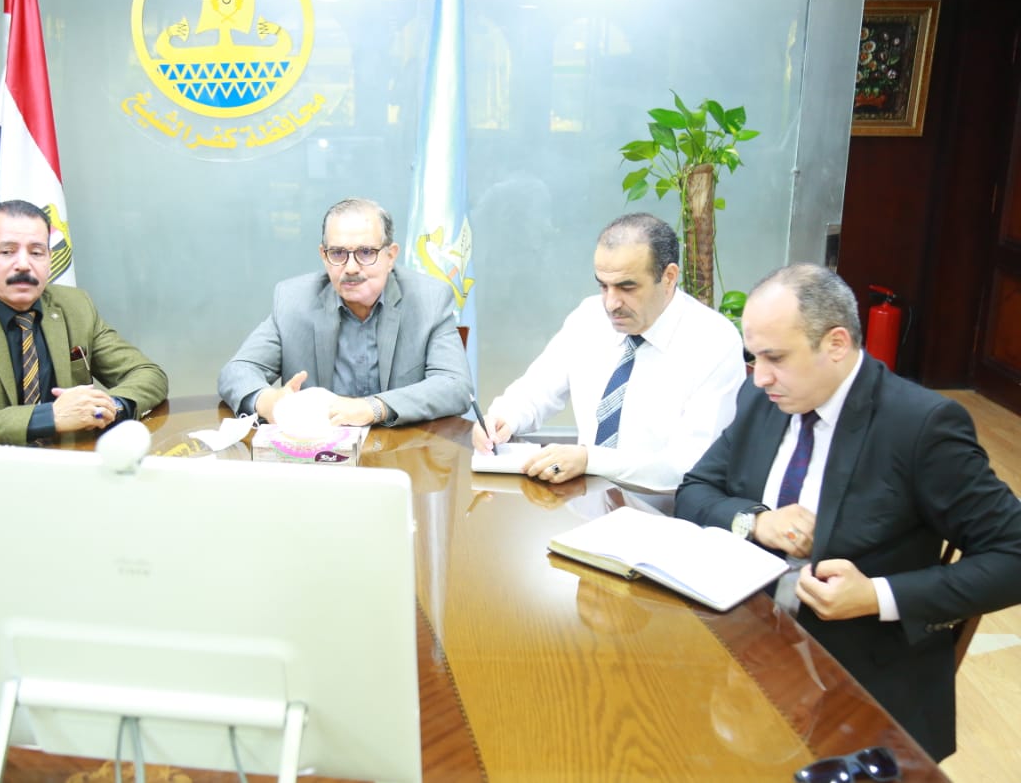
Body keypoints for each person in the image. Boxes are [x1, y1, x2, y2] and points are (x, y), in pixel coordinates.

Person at [674, 262, 1021, 761]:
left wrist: (876, 595)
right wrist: (757, 520)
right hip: (745, 638)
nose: (760, 376)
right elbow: (695, 490)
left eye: (775, 357)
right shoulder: (764, 399)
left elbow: (1013, 554)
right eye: (754, 357)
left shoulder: (919, 427)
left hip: (858, 676)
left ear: (836, 344)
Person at [473, 212, 746, 491]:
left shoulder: (714, 343)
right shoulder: (589, 317)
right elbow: (535, 391)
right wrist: (502, 418)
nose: (611, 303)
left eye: (627, 287)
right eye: (603, 286)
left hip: (665, 504)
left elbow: (690, 465)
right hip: (586, 498)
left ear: (668, 277)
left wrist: (591, 460)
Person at [0, 199, 168, 444]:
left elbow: (149, 375)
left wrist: (108, 407)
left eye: (36, 252)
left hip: (71, 460)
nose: (23, 264)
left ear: (49, 260)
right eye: (7, 252)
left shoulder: (76, 306)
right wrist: (47, 418)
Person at [217, 197, 473, 426]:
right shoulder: (293, 301)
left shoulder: (429, 299)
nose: (350, 268)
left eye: (366, 252)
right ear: (323, 255)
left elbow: (455, 386)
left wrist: (373, 408)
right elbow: (236, 372)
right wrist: (268, 401)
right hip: (319, 454)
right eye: (338, 253)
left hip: (401, 453)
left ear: (390, 256)